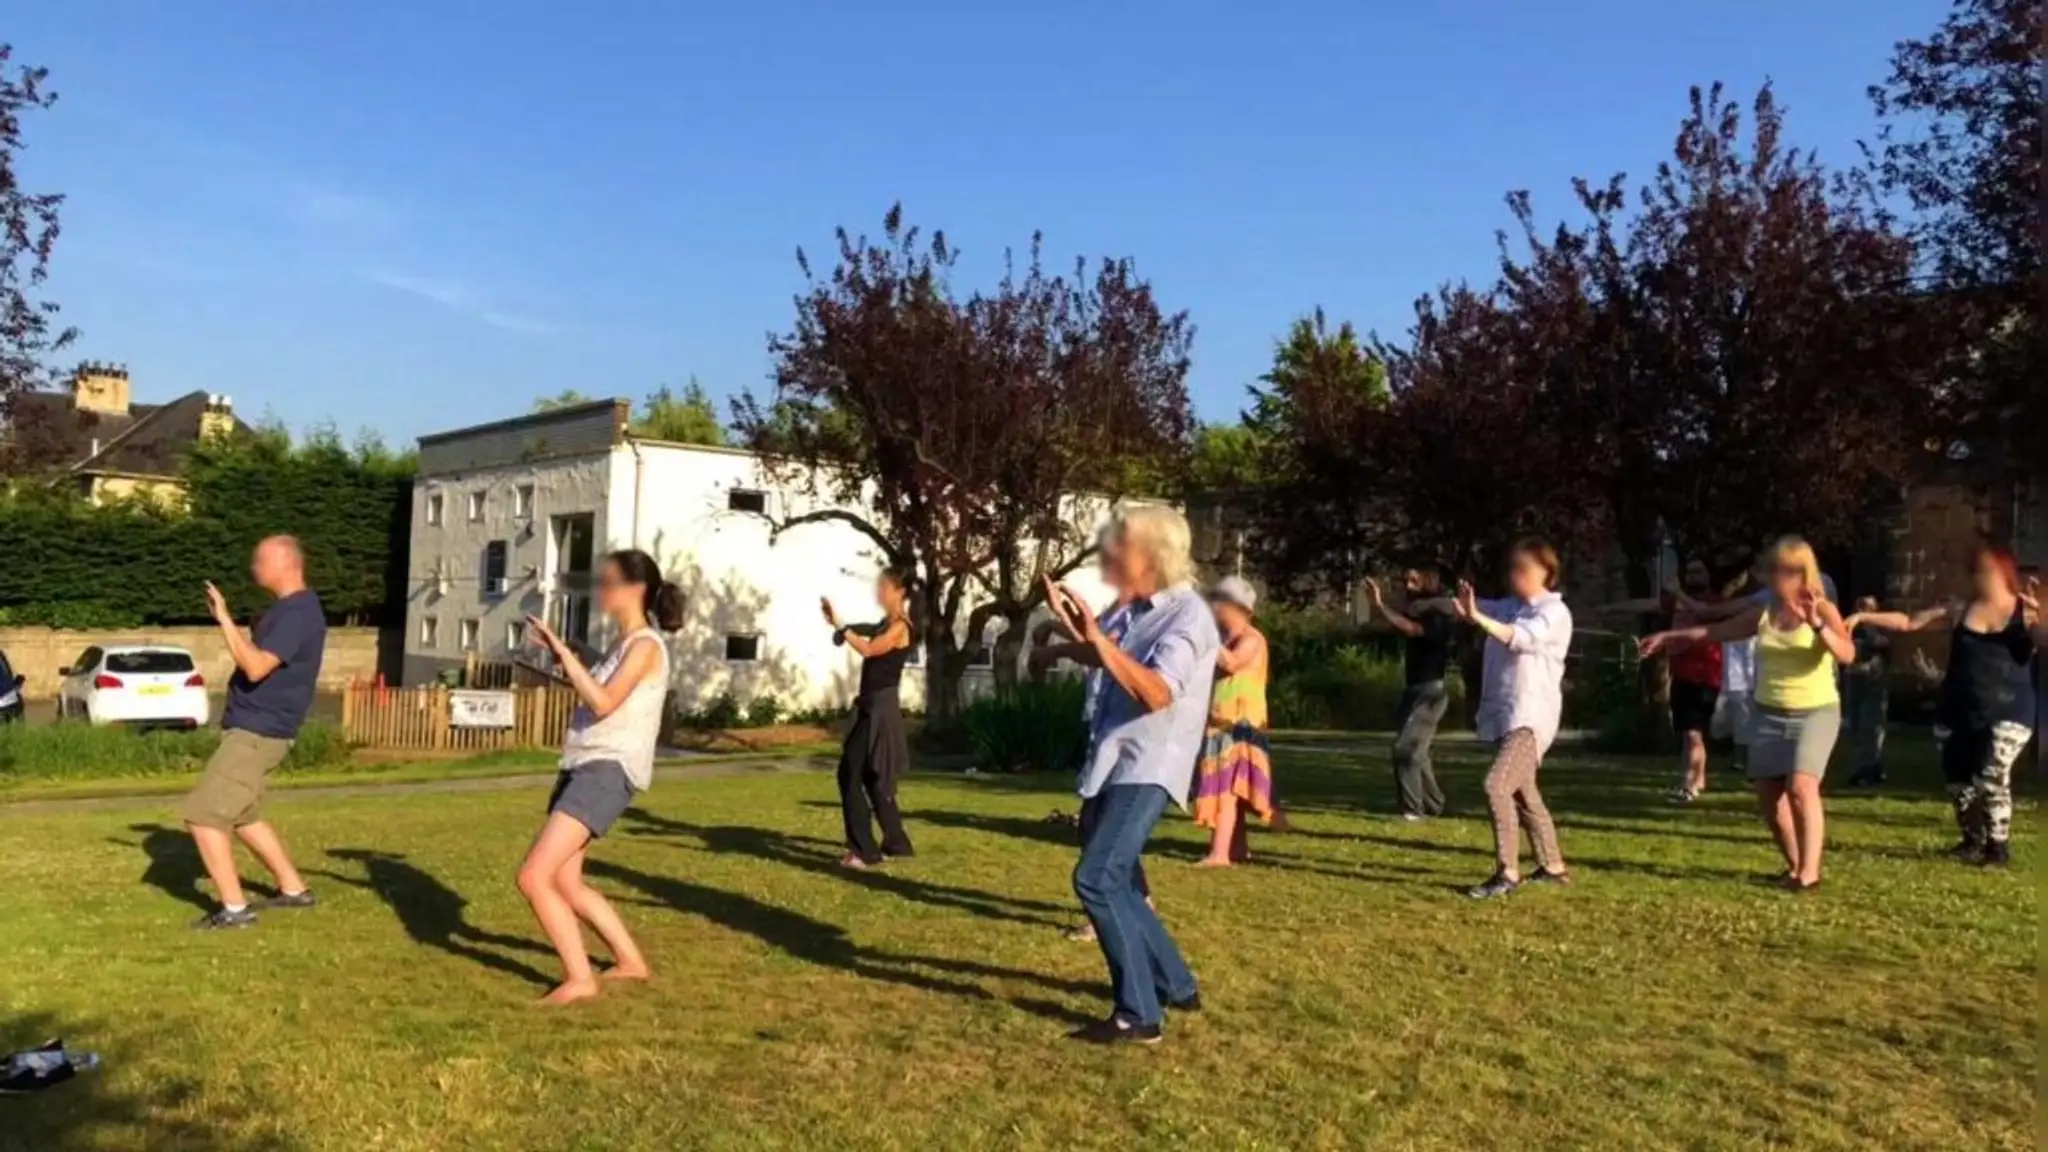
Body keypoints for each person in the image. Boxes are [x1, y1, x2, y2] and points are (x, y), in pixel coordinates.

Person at [1046, 505, 1213, 1044]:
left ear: (1155, 557)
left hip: (1149, 764)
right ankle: (1177, 983)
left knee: (1096, 878)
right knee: (1115, 879)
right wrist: (1071, 637)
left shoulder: (1188, 616)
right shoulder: (1139, 612)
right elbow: (1109, 656)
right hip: (1114, 760)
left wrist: (1095, 638)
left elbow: (1157, 691)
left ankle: (1139, 1014)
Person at [1642, 536, 1854, 891]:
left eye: (1781, 571)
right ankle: (1795, 865)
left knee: (1802, 786)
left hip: (1816, 711)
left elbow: (1846, 654)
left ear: (1802, 574)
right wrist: (1668, 637)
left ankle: (1810, 873)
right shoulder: (1763, 612)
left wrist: (1817, 625)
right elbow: (1714, 631)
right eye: (1771, 571)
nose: (1773, 578)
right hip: (1769, 711)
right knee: (1769, 795)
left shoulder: (1825, 610)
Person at [518, 549, 680, 1004]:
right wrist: (564, 654)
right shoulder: (622, 645)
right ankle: (630, 962)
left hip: (605, 771)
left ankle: (580, 978)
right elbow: (598, 690)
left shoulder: (646, 646)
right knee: (566, 883)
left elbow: (605, 702)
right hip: (583, 766)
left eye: (608, 582)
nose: (600, 591)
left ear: (636, 589)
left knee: (533, 877)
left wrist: (567, 658)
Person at [1845, 548, 2043, 866]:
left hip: (2009, 709)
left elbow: (2041, 639)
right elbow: (1910, 622)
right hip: (1959, 707)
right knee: (1958, 778)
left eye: (1987, 571)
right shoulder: (1959, 610)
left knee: (1992, 772)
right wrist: (1864, 616)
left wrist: (2040, 613)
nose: (1980, 578)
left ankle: (1998, 846)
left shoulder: (2026, 612)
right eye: (1976, 571)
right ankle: (1972, 840)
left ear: (2005, 574)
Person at [182, 536, 327, 930]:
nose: (253, 567)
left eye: (259, 560)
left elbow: (256, 667)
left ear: (285, 562)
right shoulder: (288, 611)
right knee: (244, 814)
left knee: (203, 815)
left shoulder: (298, 613)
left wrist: (225, 620)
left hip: (258, 732)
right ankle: (294, 889)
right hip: (259, 729)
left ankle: (234, 909)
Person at [1027, 532, 1147, 943]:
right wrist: (1056, 612)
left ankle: (1126, 906)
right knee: (1099, 823)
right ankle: (1137, 900)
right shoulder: (1120, 607)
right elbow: (1091, 641)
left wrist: (1053, 648)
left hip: (1123, 731)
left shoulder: (1142, 611)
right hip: (1103, 723)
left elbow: (1100, 651)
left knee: (1100, 826)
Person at [1451, 538, 1576, 900]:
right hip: (1508, 714)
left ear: (1546, 573)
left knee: (1496, 785)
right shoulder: (1511, 607)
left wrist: (1475, 617)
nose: (1514, 576)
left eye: (1524, 569)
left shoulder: (1553, 613)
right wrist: (1434, 604)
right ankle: (1553, 867)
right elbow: (1471, 609)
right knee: (1524, 793)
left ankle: (1507, 872)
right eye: (1512, 568)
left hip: (1530, 717)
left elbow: (1518, 639)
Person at [1597, 558, 1725, 803]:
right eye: (1689, 572)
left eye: (1698, 572)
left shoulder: (1716, 603)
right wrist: (1611, 608)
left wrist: (1677, 593)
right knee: (1689, 732)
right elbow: (1646, 604)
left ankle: (1688, 783)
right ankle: (1698, 779)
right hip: (1681, 674)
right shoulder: (1676, 603)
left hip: (1706, 675)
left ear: (1709, 576)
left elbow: (1703, 613)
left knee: (1692, 732)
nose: (1693, 577)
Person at [822, 567, 919, 869]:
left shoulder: (901, 627)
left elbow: (869, 649)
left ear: (899, 592)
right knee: (872, 776)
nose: (878, 593)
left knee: (849, 773)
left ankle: (864, 851)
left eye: (883, 587)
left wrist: (841, 625)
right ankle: (897, 843)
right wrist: (843, 628)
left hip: (880, 710)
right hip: (869, 706)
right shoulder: (884, 623)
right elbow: (866, 630)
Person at [1192, 576, 1278, 866]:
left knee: (1228, 790)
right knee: (1233, 790)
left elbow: (1231, 663)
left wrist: (1206, 636)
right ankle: (1236, 848)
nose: (1214, 608)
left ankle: (1219, 853)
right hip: (1223, 724)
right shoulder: (1225, 639)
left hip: (1241, 726)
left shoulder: (1252, 639)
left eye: (1220, 603)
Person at [1367, 566, 1456, 821]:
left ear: (1429, 580)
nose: (1407, 585)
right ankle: (1435, 804)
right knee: (1418, 753)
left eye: (1414, 580)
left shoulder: (1440, 613)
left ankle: (1412, 810)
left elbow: (1411, 629)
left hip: (1430, 693)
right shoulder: (1419, 608)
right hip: (1414, 690)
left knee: (1404, 749)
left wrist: (1380, 605)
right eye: (1405, 580)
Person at [1842, 595, 1892, 788]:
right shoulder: (1849, 626)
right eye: (1861, 606)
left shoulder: (1882, 628)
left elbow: (1883, 645)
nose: (1865, 610)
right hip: (1854, 679)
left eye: (1870, 607)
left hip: (1874, 681)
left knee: (1871, 725)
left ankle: (1867, 769)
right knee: (1854, 725)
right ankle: (1873, 765)